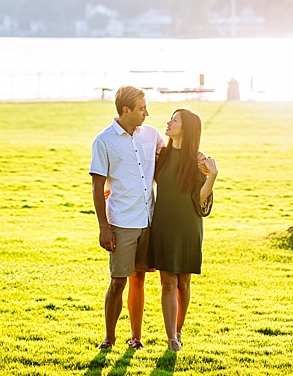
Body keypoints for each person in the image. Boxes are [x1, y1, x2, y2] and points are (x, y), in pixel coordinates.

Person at [90, 86, 166, 350]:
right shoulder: (104, 141)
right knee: (118, 281)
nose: (147, 113)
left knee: (139, 279)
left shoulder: (152, 135)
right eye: (142, 108)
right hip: (121, 222)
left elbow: (172, 156)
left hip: (148, 219)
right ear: (126, 110)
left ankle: (136, 338)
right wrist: (104, 227)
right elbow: (97, 186)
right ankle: (109, 338)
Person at [149, 108, 218, 351]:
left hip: (189, 226)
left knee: (184, 283)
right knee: (168, 282)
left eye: (174, 120)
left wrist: (212, 176)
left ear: (186, 128)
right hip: (163, 225)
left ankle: (178, 330)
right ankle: (171, 338)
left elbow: (200, 200)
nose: (169, 122)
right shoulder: (161, 155)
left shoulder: (198, 160)